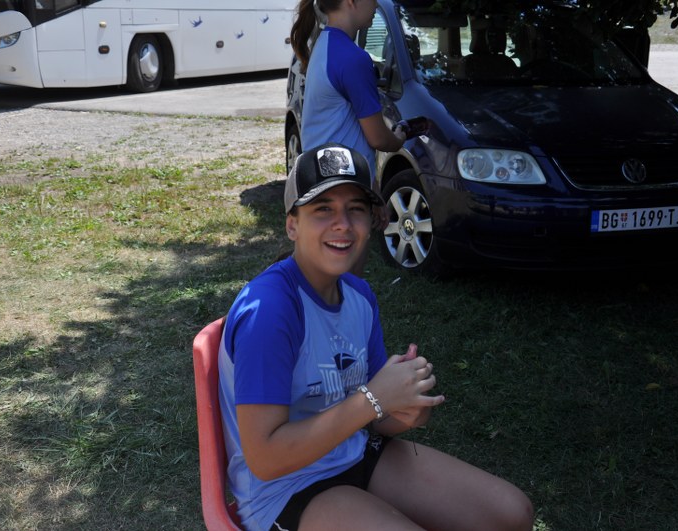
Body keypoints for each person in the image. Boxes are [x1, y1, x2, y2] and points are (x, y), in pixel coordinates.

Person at [218, 142, 534, 531]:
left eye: (356, 209)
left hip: (353, 453)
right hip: (285, 489)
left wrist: (406, 407)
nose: (342, 224)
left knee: (512, 514)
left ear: (372, 221)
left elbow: (377, 419)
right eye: (323, 209)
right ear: (292, 225)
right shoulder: (270, 311)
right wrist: (373, 399)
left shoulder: (359, 295)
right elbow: (265, 459)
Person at [291, 0, 415, 275]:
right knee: (344, 283)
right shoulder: (354, 58)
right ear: (351, 1)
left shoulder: (324, 45)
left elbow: (348, 133)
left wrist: (374, 193)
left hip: (322, 182)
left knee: (324, 281)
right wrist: (398, 137)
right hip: (344, 190)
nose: (376, 4)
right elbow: (377, 138)